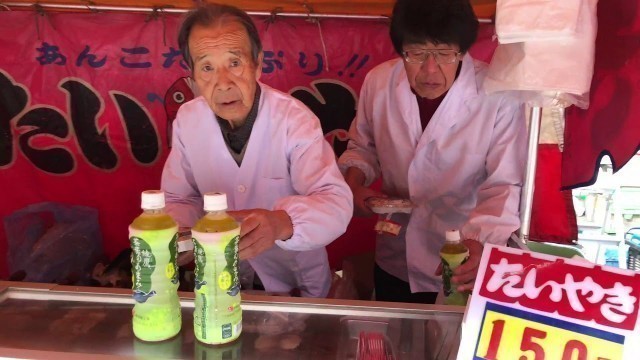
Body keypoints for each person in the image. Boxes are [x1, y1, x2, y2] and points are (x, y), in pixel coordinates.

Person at [338, 0, 527, 303]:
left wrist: (478, 241)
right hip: (395, 252)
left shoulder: (498, 95)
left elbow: (504, 183)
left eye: (443, 54)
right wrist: (353, 186)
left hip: (463, 255)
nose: (429, 69)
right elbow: (363, 146)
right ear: (401, 50)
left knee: (450, 345)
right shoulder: (379, 81)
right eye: (416, 53)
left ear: (463, 51)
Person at [161, 4, 353, 298]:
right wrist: (182, 233)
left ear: (257, 64)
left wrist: (281, 224)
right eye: (207, 67)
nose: (223, 82)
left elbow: (335, 203)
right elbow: (178, 196)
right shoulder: (188, 120)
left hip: (294, 282)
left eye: (234, 63)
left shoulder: (293, 120)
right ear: (193, 75)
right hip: (221, 280)